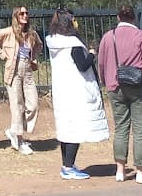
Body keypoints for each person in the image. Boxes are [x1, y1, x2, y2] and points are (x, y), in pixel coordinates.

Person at [45, 10, 110, 180]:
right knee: (75, 130)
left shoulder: (54, 41)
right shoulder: (72, 43)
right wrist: (92, 54)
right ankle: (68, 167)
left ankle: (67, 164)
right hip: (76, 91)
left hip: (62, 90)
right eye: (74, 20)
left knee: (66, 129)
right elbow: (82, 65)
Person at [99, 5, 142, 183]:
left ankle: (120, 170)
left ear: (118, 17)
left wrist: (106, 81)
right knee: (141, 129)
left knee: (121, 128)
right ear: (134, 18)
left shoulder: (108, 36)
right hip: (139, 85)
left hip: (115, 85)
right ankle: (141, 171)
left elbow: (101, 62)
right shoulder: (141, 35)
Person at [0, 6, 42, 155]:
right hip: (13, 71)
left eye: (26, 13)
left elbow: (39, 45)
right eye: (21, 13)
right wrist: (2, 54)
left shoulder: (31, 34)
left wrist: (33, 58)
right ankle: (19, 140)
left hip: (27, 70)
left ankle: (14, 131)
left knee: (33, 104)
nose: (25, 15)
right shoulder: (8, 32)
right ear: (16, 16)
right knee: (17, 106)